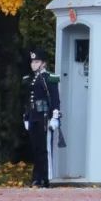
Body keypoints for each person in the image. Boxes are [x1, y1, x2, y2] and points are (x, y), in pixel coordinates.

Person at [22, 48, 60, 188]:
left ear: (43, 63)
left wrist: (55, 116)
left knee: (45, 149)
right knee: (36, 148)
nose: (33, 64)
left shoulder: (50, 77)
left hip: (44, 117)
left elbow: (55, 99)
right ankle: (36, 177)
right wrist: (26, 117)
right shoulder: (29, 79)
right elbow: (27, 100)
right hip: (33, 116)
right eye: (32, 61)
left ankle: (46, 177)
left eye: (37, 61)